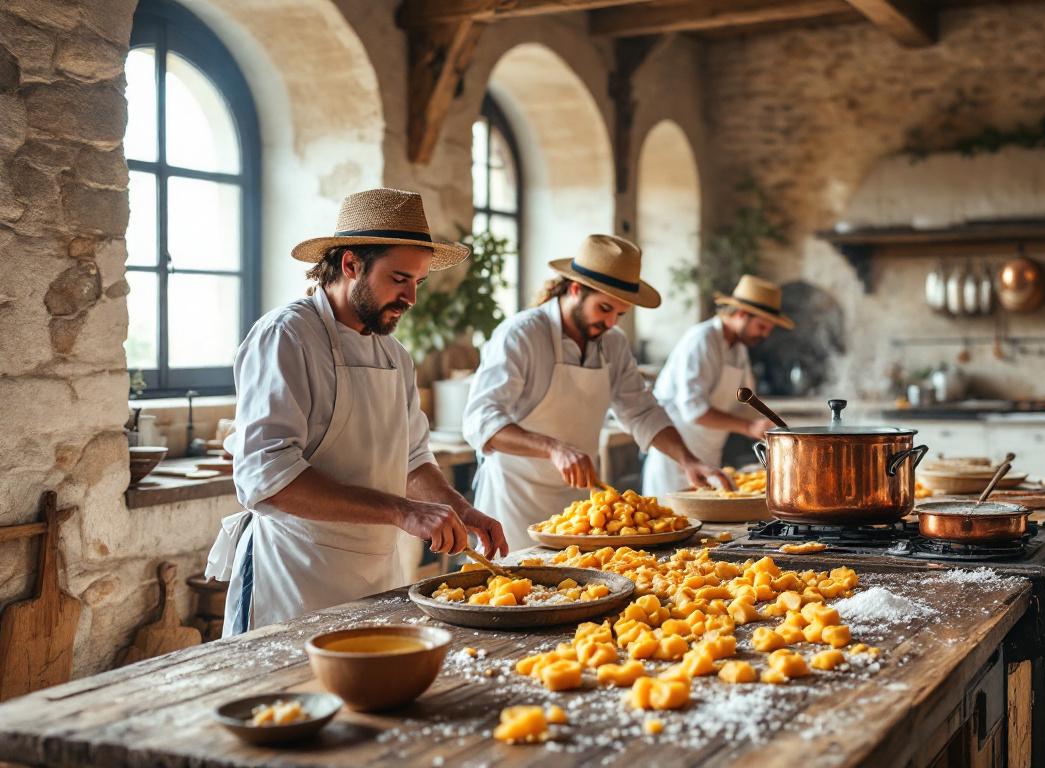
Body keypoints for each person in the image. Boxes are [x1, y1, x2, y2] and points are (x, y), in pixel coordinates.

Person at [205, 188, 507, 637]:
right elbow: (266, 480)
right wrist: (403, 512)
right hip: (295, 574)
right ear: (351, 264)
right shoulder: (287, 336)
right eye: (399, 278)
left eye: (418, 283)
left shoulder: (394, 355)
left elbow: (412, 459)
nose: (411, 297)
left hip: (378, 572)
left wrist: (460, 509)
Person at [462, 234, 730, 548]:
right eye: (604, 308)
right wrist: (554, 449)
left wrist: (688, 460)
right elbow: (480, 421)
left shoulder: (613, 343)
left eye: (620, 314)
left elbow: (642, 411)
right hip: (515, 500)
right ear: (575, 289)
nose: (610, 322)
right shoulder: (521, 335)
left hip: (580, 508)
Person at [641, 275, 793, 497]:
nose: (765, 335)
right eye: (761, 326)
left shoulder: (738, 350)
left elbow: (745, 402)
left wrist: (768, 421)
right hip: (674, 458)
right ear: (741, 314)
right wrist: (749, 428)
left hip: (709, 455)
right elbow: (694, 410)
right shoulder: (701, 340)